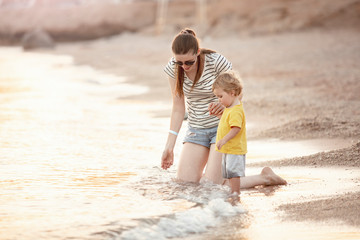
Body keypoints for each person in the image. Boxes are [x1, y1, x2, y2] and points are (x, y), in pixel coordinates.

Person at [161, 28, 287, 188]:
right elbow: (178, 108)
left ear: (197, 52)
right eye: (180, 62)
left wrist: (223, 105)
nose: (184, 66)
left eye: (189, 62)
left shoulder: (215, 61)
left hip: (223, 128)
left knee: (212, 185)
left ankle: (265, 178)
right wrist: (169, 146)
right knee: (185, 185)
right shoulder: (173, 68)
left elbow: (238, 91)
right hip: (196, 130)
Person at [212, 71, 246, 195]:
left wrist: (224, 140)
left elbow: (236, 128)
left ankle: (236, 192)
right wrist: (219, 116)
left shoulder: (235, 111)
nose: (218, 100)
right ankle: (233, 191)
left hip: (234, 149)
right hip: (229, 148)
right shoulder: (229, 108)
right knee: (229, 172)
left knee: (234, 172)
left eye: (220, 96)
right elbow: (228, 123)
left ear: (232, 93)